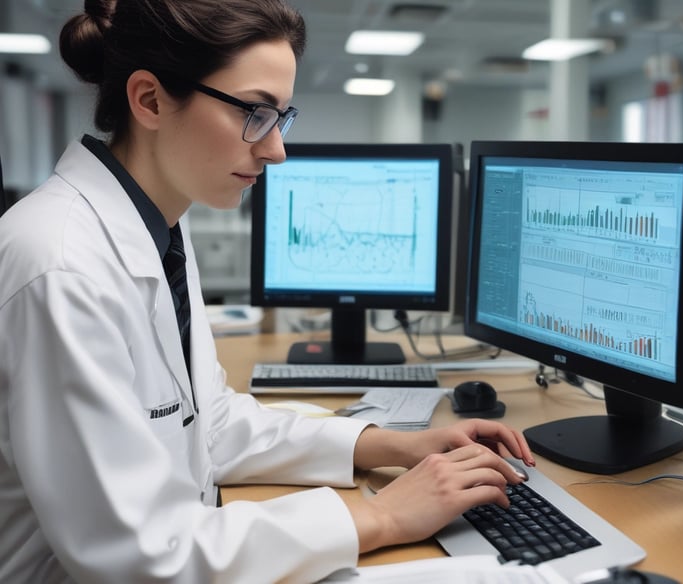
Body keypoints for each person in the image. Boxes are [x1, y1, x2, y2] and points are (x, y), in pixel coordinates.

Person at [0, 1, 535, 582]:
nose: (276, 148)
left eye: (282, 116)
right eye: (255, 112)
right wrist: (381, 516)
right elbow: (143, 556)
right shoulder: (59, 267)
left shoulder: (159, 227)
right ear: (149, 100)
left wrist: (397, 446)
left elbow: (212, 423)